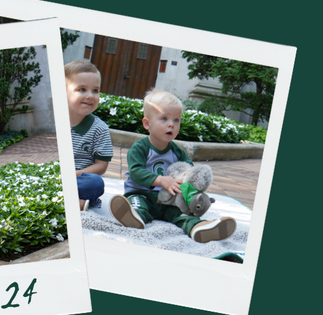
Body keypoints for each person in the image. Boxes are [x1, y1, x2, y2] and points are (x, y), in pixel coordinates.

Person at [109, 89, 236, 242]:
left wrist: (189, 185)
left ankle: (198, 228)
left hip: (168, 200)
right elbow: (136, 172)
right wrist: (161, 180)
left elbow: (188, 172)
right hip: (141, 193)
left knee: (181, 214)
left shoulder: (177, 151)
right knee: (137, 204)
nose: (171, 124)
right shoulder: (140, 147)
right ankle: (134, 217)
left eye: (176, 120)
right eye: (164, 118)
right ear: (147, 124)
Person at [65, 60, 113, 211]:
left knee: (96, 183)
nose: (90, 96)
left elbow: (101, 166)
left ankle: (72, 198)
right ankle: (73, 199)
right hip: (56, 174)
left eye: (95, 90)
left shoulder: (100, 129)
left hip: (81, 178)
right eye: (82, 89)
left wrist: (73, 175)